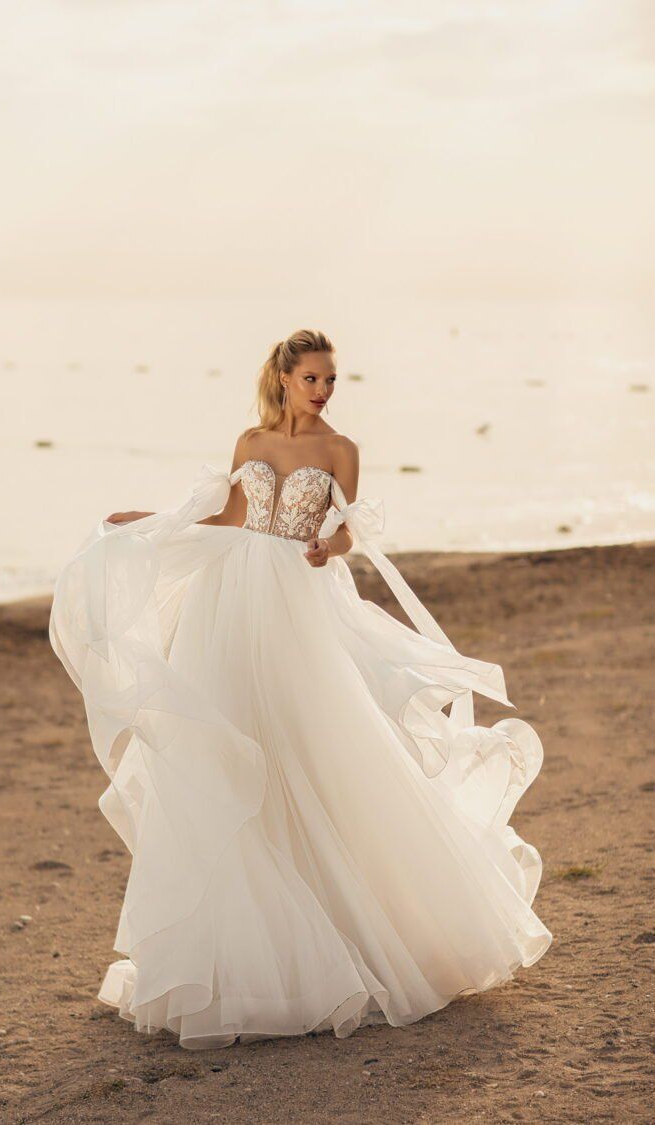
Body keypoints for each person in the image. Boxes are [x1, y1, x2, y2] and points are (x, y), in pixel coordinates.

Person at [48, 328, 552, 1051]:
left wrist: (325, 545)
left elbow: (345, 532)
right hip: (229, 606)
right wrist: (151, 523)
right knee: (232, 753)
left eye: (330, 380)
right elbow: (228, 516)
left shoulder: (339, 450)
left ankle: (358, 935)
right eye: (311, 378)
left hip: (294, 601)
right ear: (285, 378)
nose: (321, 391)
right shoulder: (250, 441)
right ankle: (242, 960)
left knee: (312, 746)